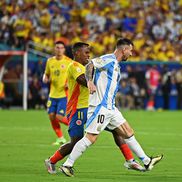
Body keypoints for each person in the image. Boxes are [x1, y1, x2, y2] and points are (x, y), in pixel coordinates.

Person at [60, 38, 163, 177]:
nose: (131, 54)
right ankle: (67, 165)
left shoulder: (116, 65)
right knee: (90, 138)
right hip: (100, 107)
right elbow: (91, 65)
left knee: (127, 131)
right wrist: (90, 81)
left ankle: (146, 161)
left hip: (111, 108)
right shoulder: (108, 59)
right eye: (130, 51)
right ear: (124, 50)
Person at [44, 42, 145, 174]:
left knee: (117, 130)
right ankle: (52, 160)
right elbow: (84, 81)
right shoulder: (74, 66)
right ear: (76, 53)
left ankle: (130, 160)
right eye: (85, 52)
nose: (88, 55)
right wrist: (106, 80)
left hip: (94, 107)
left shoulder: (89, 67)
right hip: (77, 109)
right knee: (77, 141)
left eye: (89, 52)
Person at [43, 40, 72, 145]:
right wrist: (45, 78)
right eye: (57, 47)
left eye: (61, 48)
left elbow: (73, 75)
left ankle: (75, 127)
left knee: (59, 117)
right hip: (52, 94)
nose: (59, 50)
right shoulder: (50, 61)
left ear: (64, 49)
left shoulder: (69, 61)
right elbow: (46, 74)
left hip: (63, 94)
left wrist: (69, 82)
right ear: (54, 49)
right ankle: (60, 138)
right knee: (51, 116)